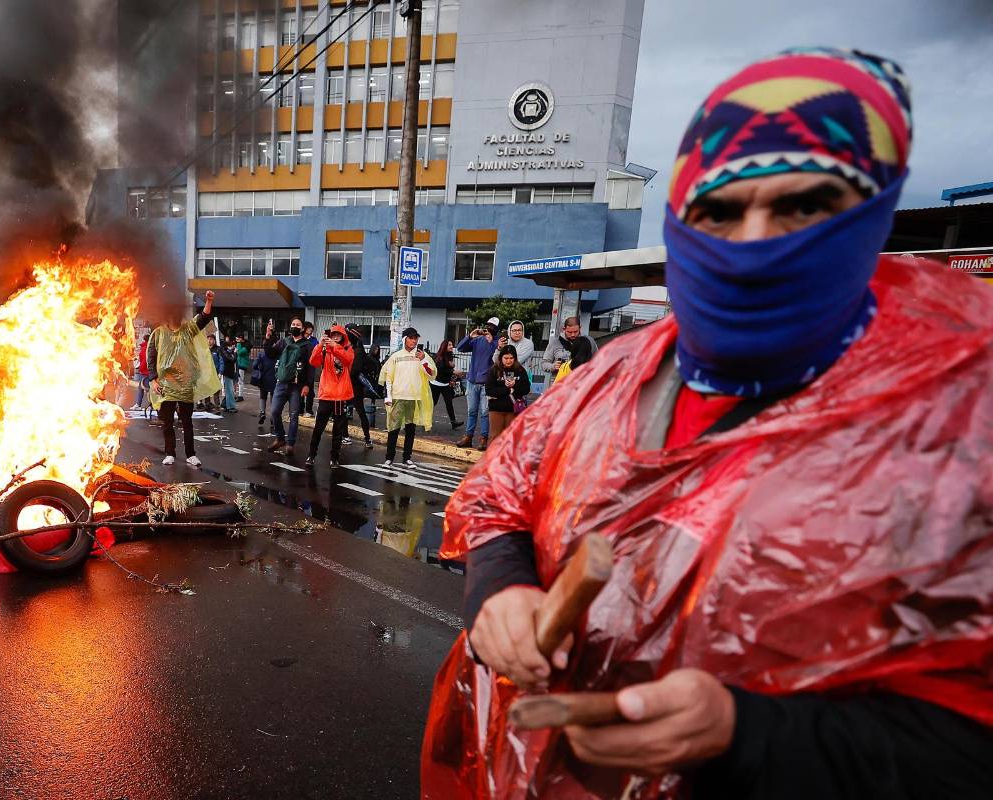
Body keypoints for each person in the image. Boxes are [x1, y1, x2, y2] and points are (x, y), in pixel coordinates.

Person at [422, 49, 993, 799]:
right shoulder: (615, 375)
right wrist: (498, 594)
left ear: (872, 217)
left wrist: (745, 734)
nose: (754, 242)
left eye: (804, 207)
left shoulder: (961, 414)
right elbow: (499, 498)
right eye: (719, 211)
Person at [147, 290, 218, 467]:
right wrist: (153, 379)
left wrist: (209, 301)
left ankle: (191, 454)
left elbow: (203, 318)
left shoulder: (188, 329)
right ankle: (169, 453)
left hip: (186, 384)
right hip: (165, 384)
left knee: (187, 421)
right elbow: (151, 356)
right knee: (167, 421)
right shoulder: (159, 333)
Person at [378, 327, 435, 468]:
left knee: (410, 429)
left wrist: (423, 361)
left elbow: (431, 374)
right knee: (394, 428)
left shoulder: (422, 356)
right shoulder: (396, 356)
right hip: (398, 397)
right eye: (411, 338)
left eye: (415, 338)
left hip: (414, 398)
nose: (414, 340)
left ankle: (407, 458)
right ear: (405, 339)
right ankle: (389, 458)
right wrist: (388, 396)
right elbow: (388, 377)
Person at [304, 324, 355, 468]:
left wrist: (334, 346)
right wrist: (320, 345)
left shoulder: (347, 349)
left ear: (343, 337)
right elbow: (313, 361)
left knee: (338, 430)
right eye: (333, 335)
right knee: (318, 428)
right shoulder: (325, 350)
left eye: (339, 335)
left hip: (340, 397)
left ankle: (334, 458)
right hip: (326, 395)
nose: (336, 337)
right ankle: (311, 455)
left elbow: (347, 360)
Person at [264, 317, 313, 456]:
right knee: (274, 412)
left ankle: (290, 444)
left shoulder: (307, 345)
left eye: (298, 325)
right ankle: (280, 438)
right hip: (281, 382)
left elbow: (311, 367)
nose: (295, 326)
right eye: (293, 324)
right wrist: (268, 337)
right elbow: (270, 353)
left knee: (294, 416)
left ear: (303, 328)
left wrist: (308, 385)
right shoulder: (284, 341)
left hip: (297, 386)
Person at [455, 317, 499, 449]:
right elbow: (460, 348)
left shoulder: (497, 342)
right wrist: (470, 336)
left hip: (487, 383)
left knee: (485, 412)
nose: (488, 328)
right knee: (472, 411)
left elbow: (495, 357)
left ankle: (483, 438)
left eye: (492, 327)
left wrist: (491, 342)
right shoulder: (478, 340)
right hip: (472, 381)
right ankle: (468, 437)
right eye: (487, 325)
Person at [484, 345, 530, 444]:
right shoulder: (494, 370)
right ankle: (492, 458)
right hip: (496, 409)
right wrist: (507, 389)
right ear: (501, 358)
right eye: (506, 358)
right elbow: (489, 390)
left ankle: (507, 459)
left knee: (510, 438)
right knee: (495, 437)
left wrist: (516, 384)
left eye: (511, 358)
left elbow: (526, 389)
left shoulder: (520, 370)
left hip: (513, 409)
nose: (508, 361)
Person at [542, 315, 597, 383]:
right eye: (570, 332)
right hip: (559, 383)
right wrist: (553, 366)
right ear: (564, 329)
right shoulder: (554, 343)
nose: (573, 335)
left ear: (580, 328)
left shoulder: (589, 341)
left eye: (576, 331)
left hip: (582, 383)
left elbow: (598, 360)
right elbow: (544, 364)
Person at [429, 340, 462, 430]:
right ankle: (425, 421)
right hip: (436, 383)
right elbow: (440, 370)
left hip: (445, 384)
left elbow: (447, 370)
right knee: (432, 403)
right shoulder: (439, 357)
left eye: (452, 345)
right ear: (444, 347)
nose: (452, 346)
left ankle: (453, 422)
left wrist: (451, 378)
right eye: (449, 345)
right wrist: (453, 371)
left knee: (449, 402)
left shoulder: (450, 356)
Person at [250, 327, 277, 426]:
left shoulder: (262, 353)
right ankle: (273, 417)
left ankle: (262, 412)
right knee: (273, 397)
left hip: (264, 378)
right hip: (275, 378)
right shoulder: (278, 353)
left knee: (263, 396)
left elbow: (254, 365)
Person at [301, 320, 319, 418]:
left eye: (310, 332)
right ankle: (300, 408)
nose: (309, 334)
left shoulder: (314, 340)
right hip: (300, 368)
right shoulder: (299, 339)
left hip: (310, 367)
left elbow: (318, 349)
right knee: (299, 389)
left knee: (310, 390)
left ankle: (308, 410)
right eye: (307, 332)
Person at [219, 333, 238, 413]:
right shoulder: (224, 351)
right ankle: (231, 406)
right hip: (227, 372)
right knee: (230, 390)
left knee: (229, 390)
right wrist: (235, 353)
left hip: (230, 372)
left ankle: (225, 405)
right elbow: (231, 359)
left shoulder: (226, 351)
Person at [131, 332, 150, 411]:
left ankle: (139, 404)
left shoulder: (144, 348)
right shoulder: (148, 348)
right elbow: (146, 361)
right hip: (146, 371)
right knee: (148, 389)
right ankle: (148, 405)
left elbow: (143, 360)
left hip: (144, 371)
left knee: (143, 388)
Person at [234, 334, 250, 403]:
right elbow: (235, 352)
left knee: (240, 380)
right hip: (237, 363)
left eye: (238, 339)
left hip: (242, 364)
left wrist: (238, 344)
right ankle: (235, 394)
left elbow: (239, 352)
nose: (237, 341)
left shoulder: (247, 345)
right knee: (236, 380)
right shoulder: (240, 344)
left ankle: (240, 396)